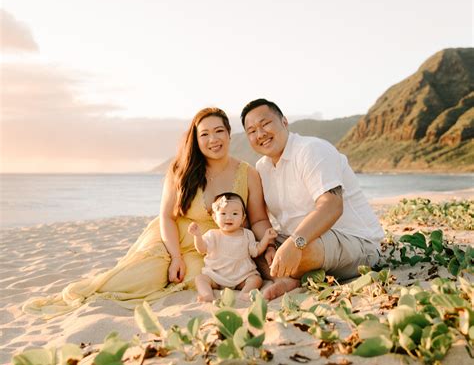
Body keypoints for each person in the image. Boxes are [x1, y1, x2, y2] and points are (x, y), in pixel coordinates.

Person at [23, 107, 272, 317]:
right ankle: (88, 292)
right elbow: (166, 216)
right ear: (196, 140)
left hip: (210, 248)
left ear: (229, 134)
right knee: (144, 277)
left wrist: (268, 245)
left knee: (196, 277)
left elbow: (259, 218)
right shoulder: (181, 170)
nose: (213, 139)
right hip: (172, 239)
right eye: (204, 134)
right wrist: (175, 256)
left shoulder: (247, 173)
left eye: (219, 131)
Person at [240, 98, 384, 300]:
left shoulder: (311, 150)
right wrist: (270, 246)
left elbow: (332, 205)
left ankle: (291, 274)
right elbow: (260, 221)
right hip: (301, 239)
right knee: (246, 243)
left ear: (284, 121)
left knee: (304, 249)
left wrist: (294, 243)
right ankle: (289, 278)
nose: (260, 134)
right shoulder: (262, 167)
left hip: (356, 242)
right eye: (252, 131)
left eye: (265, 124)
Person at [188, 192, 277, 301]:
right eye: (223, 214)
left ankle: (244, 293)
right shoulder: (213, 235)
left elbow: (256, 251)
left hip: (241, 277)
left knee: (256, 280)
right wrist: (197, 236)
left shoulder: (247, 234)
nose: (229, 217)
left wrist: (266, 239)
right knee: (201, 279)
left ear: (243, 218)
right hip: (216, 276)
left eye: (235, 214)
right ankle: (207, 295)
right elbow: (201, 249)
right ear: (215, 217)